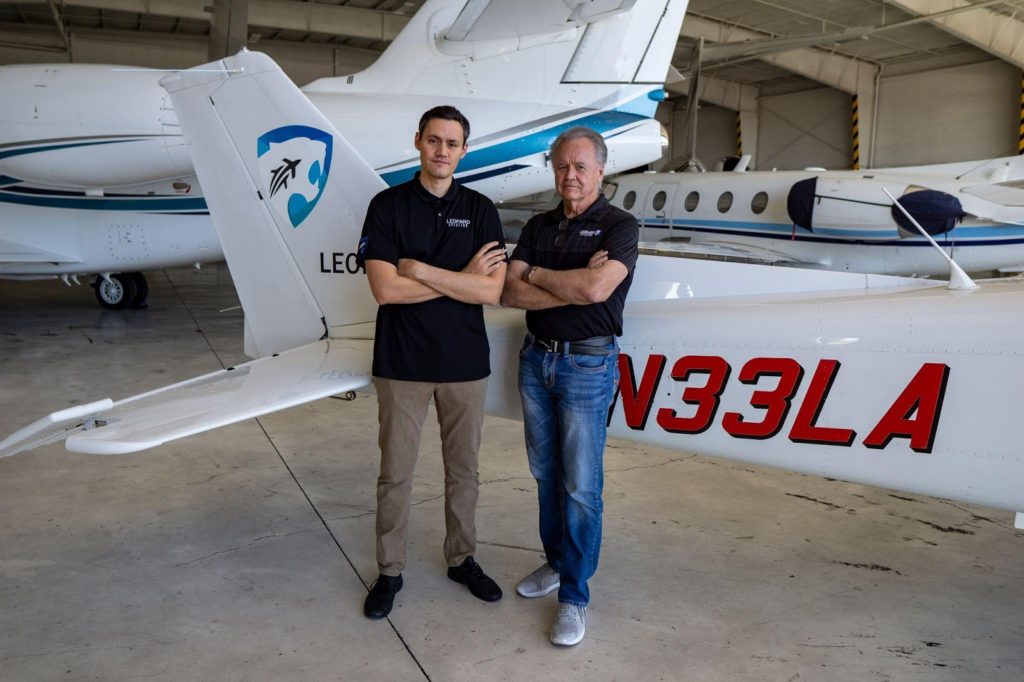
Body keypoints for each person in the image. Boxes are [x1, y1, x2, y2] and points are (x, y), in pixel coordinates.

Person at [357, 105, 508, 620]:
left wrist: (421, 271)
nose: (442, 151)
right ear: (418, 142)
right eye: (434, 140)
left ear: (464, 150)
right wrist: (459, 277)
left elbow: (490, 290)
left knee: (464, 472)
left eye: (453, 143)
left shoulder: (482, 209)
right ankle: (390, 569)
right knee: (395, 474)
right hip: (401, 365)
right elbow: (385, 290)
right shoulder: (387, 206)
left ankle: (462, 558)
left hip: (465, 364)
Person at [500, 126, 639, 646]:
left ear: (601, 171)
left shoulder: (619, 226)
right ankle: (556, 563)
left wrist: (543, 277)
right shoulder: (538, 225)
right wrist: (571, 285)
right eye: (562, 166)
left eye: (581, 167)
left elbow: (599, 287)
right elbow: (511, 293)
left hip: (587, 366)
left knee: (582, 487)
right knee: (544, 474)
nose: (570, 176)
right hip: (537, 360)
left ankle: (575, 597)